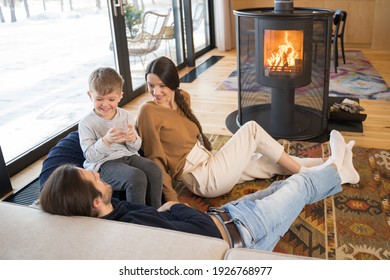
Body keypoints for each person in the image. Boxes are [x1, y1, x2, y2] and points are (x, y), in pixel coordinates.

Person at [38, 142, 359, 250]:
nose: (97, 173)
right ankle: (339, 169)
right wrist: (175, 205)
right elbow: (203, 231)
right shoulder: (135, 229)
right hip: (241, 230)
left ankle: (339, 170)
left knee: (279, 187)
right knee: (298, 187)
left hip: (231, 215)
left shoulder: (114, 214)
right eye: (92, 177)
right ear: (96, 202)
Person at [136, 56, 359, 202]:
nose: (155, 92)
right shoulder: (148, 112)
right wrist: (172, 199)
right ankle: (309, 172)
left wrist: (216, 155)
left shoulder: (183, 98)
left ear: (174, 83)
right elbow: (155, 158)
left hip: (211, 161)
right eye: (151, 85)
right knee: (251, 129)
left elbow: (191, 136)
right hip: (202, 178)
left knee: (270, 162)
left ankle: (336, 169)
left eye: (161, 86)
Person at [78, 67, 162, 208]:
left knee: (154, 169)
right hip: (104, 164)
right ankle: (137, 218)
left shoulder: (126, 116)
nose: (105, 104)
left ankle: (155, 211)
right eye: (99, 99)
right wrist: (106, 141)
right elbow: (90, 155)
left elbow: (136, 147)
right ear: (90, 95)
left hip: (128, 156)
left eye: (111, 99)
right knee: (136, 177)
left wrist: (132, 139)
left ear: (120, 96)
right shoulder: (86, 123)